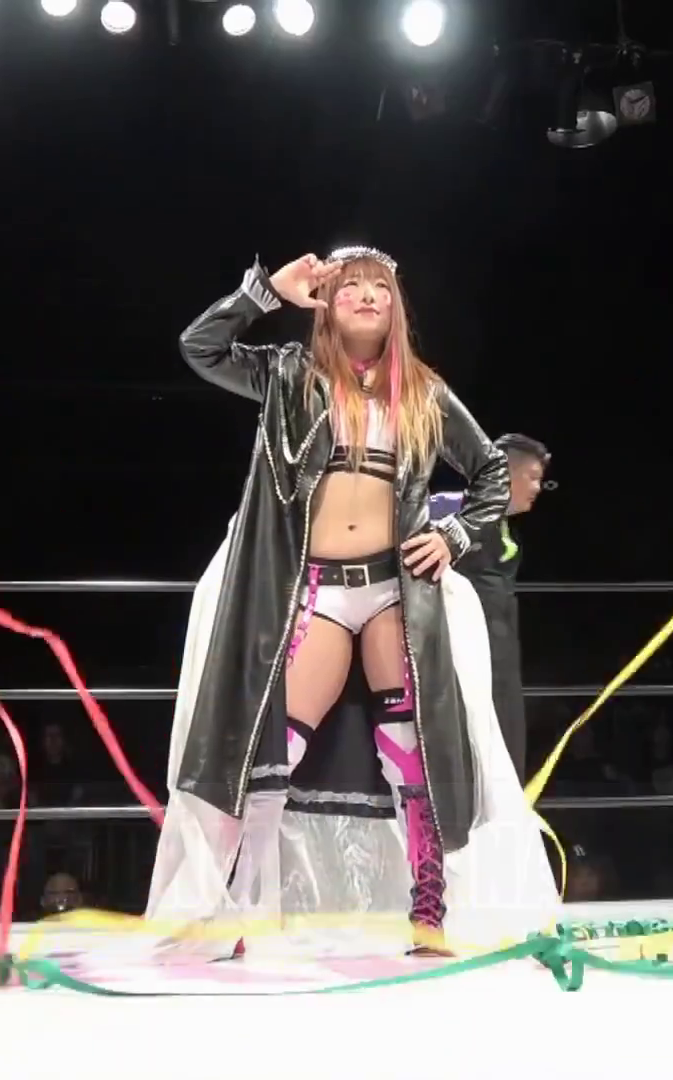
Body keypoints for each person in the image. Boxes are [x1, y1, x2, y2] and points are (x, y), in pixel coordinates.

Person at [146, 247, 557, 958]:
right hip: (317, 589)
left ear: (396, 306)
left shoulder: (423, 393)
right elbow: (200, 347)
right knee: (269, 753)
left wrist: (454, 535)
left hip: (394, 592)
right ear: (327, 306)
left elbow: (491, 469)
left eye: (379, 287)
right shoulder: (288, 375)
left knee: (415, 754)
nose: (367, 295)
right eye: (350, 286)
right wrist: (265, 292)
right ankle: (239, 908)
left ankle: (429, 911)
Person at [428, 433, 551, 782]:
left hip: (502, 654)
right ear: (505, 472)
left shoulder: (508, 529)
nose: (538, 487)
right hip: (463, 649)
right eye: (532, 477)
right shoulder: (450, 507)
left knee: (507, 747)